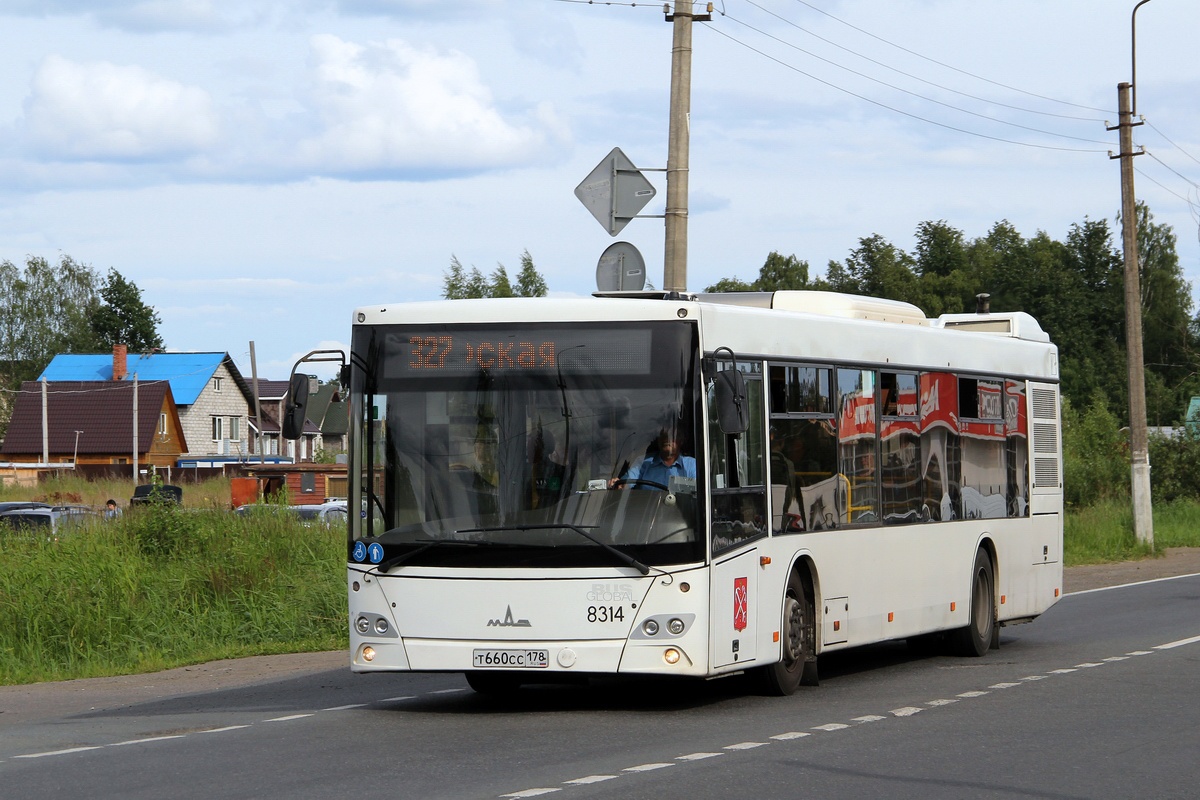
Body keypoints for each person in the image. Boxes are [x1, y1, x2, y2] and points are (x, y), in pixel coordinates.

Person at [616, 428, 697, 488]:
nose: (667, 439)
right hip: (647, 509)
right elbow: (628, 482)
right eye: (663, 436)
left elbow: (699, 491)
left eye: (672, 436)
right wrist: (620, 484)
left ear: (681, 441)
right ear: (658, 441)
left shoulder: (692, 465)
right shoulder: (643, 462)